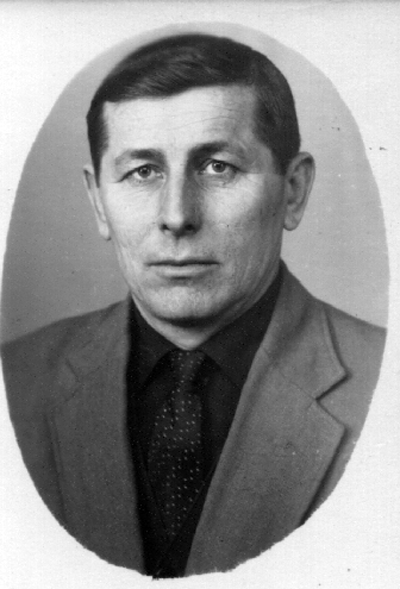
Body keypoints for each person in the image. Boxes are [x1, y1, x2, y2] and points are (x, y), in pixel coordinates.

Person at [1, 33, 385, 578]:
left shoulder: (385, 385)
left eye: (217, 167)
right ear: (98, 203)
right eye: (143, 172)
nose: (177, 216)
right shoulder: (16, 377)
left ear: (294, 191)